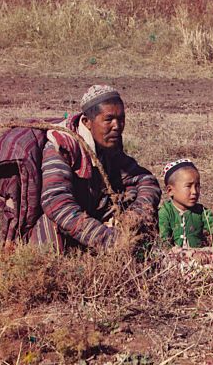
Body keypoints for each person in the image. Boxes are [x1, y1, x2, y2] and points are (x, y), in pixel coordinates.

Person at [30, 85, 161, 253]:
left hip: (94, 219)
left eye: (121, 119)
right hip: (71, 226)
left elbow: (145, 180)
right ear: (87, 122)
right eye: (109, 119)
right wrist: (107, 239)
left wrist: (136, 214)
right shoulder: (61, 147)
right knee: (53, 222)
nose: (117, 126)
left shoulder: (108, 146)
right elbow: (55, 202)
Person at [157, 159, 213, 279]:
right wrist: (190, 255)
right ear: (170, 191)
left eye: (197, 186)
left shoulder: (201, 211)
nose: (194, 192)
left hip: (203, 255)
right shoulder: (165, 212)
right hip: (178, 257)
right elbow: (164, 244)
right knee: (171, 264)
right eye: (188, 186)